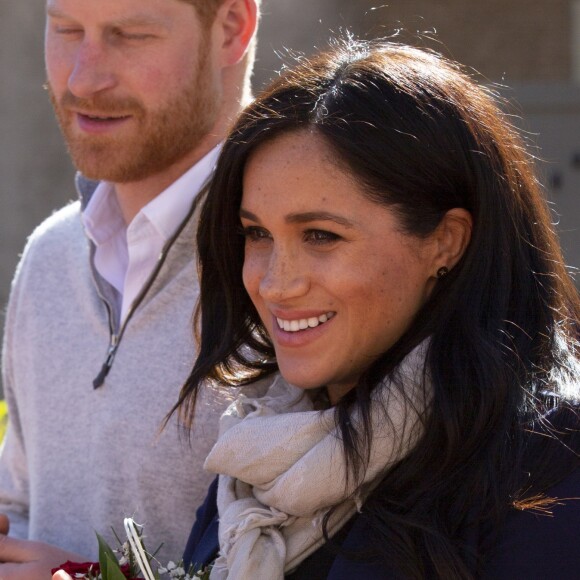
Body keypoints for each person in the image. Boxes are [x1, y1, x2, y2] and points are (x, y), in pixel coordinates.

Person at [170, 39, 579, 578]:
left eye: (320, 235)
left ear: (445, 242)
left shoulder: (549, 461)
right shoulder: (255, 454)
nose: (274, 284)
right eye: (257, 234)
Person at [0, 0, 260, 577]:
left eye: (131, 34)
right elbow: (20, 506)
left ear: (232, 28)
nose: (83, 78)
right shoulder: (49, 257)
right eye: (66, 29)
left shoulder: (286, 279)